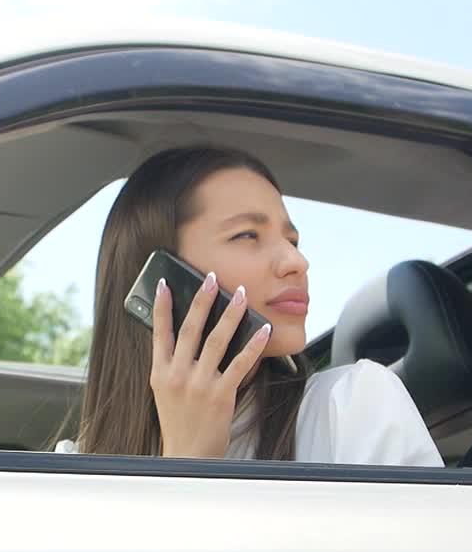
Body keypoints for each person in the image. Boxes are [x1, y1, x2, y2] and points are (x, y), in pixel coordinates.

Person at [56, 145, 443, 466]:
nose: (296, 262)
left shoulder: (353, 407)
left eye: (292, 239)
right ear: (165, 276)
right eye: (248, 235)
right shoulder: (74, 464)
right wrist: (187, 459)